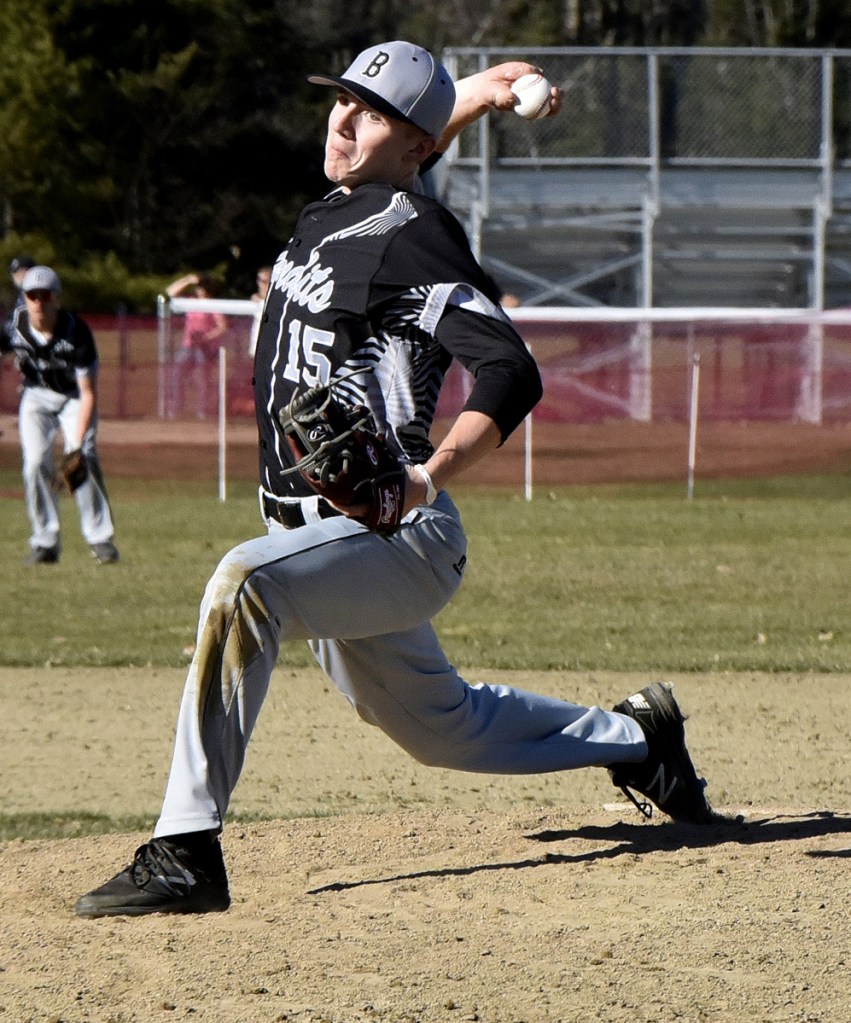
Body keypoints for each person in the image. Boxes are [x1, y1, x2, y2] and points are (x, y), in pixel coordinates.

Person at [76, 42, 716, 919]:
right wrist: (468, 99)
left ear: (411, 141)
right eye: (339, 100)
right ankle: (638, 740)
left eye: (366, 110)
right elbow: (388, 162)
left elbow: (509, 369)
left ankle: (185, 850)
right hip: (320, 535)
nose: (341, 119)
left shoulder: (418, 236)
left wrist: (426, 477)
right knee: (438, 727)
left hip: (391, 531)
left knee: (242, 585)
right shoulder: (332, 211)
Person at [0, 265, 119, 564]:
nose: (39, 302)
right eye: (32, 295)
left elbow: (88, 392)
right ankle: (45, 542)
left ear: (57, 298)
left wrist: (77, 441)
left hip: (74, 397)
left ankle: (100, 538)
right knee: (35, 462)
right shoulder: (13, 327)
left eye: (46, 295)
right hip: (36, 396)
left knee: (83, 458)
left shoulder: (76, 332)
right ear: (24, 298)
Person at [165, 273, 228, 418]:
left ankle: (203, 410)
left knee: (203, 379)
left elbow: (222, 326)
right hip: (189, 346)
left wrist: (205, 338)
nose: (199, 290)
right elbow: (170, 292)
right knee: (177, 375)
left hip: (206, 349)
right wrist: (188, 280)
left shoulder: (213, 305)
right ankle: (175, 408)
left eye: (202, 287)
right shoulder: (191, 301)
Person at [247, 265, 271, 356]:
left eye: (264, 281)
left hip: (268, 342)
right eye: (259, 280)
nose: (260, 284)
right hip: (257, 339)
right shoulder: (256, 299)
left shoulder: (274, 302)